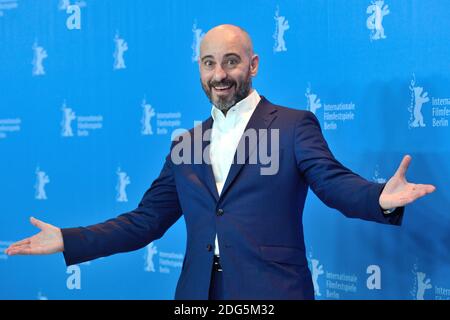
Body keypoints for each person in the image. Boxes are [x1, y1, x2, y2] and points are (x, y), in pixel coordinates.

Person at [5, 24, 435, 300]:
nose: (220, 74)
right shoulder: (186, 144)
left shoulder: (293, 125)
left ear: (252, 65)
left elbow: (333, 182)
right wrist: (69, 238)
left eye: (231, 61)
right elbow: (145, 221)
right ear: (200, 69)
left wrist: (381, 196)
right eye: (209, 63)